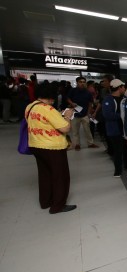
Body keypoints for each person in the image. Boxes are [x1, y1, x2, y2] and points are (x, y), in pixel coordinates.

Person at [27, 84, 77, 214]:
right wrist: (67, 116)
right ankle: (58, 206)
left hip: (36, 145)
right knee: (60, 176)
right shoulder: (48, 109)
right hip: (53, 148)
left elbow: (42, 122)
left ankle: (45, 202)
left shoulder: (30, 106)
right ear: (51, 96)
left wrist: (59, 115)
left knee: (45, 175)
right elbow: (65, 128)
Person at [67, 76, 99, 150]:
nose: (82, 83)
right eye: (80, 82)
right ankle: (77, 144)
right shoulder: (73, 90)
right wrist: (72, 103)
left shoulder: (88, 92)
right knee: (75, 131)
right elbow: (68, 98)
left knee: (87, 130)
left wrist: (88, 113)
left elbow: (90, 103)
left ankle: (90, 143)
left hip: (85, 114)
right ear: (77, 83)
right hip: (75, 114)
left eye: (83, 82)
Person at [102, 79, 126, 177]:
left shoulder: (124, 99)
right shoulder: (108, 100)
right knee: (117, 151)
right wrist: (122, 115)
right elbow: (107, 115)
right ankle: (118, 170)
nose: (124, 89)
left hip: (124, 129)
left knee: (125, 149)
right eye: (123, 87)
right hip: (114, 130)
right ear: (119, 88)